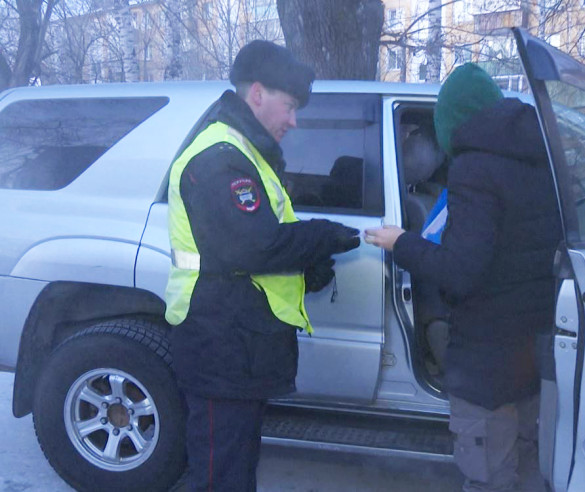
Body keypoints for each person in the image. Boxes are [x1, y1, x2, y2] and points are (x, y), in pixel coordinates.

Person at [164, 40, 360, 491]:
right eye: (289, 106)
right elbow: (253, 246)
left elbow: (250, 245)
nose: (294, 120)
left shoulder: (246, 152)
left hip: (236, 343)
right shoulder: (220, 157)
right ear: (257, 93)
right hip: (220, 345)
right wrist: (320, 237)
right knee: (220, 474)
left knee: (235, 466)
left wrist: (305, 267)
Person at [365, 63, 562, 491]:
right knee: (529, 464)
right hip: (530, 356)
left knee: (489, 476)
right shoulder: (541, 160)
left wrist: (402, 243)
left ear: (452, 124)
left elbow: (459, 272)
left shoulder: (474, 170)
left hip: (485, 365)